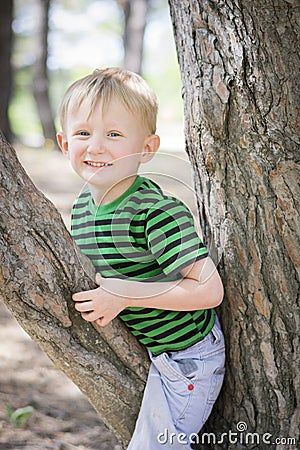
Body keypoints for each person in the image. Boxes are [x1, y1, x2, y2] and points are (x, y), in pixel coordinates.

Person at [56, 67, 225, 450]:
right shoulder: (84, 205)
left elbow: (209, 290)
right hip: (149, 349)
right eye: (83, 133)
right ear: (64, 143)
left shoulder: (154, 212)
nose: (96, 147)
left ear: (147, 148)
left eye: (114, 134)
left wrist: (125, 296)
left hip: (187, 356)